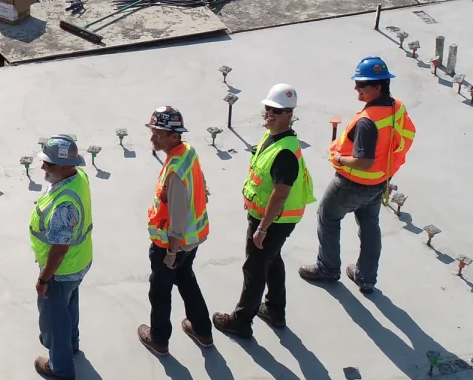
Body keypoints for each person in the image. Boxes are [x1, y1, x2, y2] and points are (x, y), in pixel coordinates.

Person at [301, 56, 417, 295]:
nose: (357, 88)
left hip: (352, 184)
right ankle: (366, 278)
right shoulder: (396, 107)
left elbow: (363, 162)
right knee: (370, 226)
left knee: (328, 217)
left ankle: (328, 268)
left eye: (362, 84)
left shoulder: (367, 122)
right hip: (380, 181)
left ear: (378, 87)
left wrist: (339, 159)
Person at [214, 84, 315, 338]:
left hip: (273, 221)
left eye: (277, 111)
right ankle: (275, 310)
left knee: (254, 268)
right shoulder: (273, 137)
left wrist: (262, 228)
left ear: (289, 115)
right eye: (268, 108)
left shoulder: (284, 152)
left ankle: (240, 321)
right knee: (272, 260)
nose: (269, 114)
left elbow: (279, 194)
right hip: (269, 218)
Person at [138, 105, 213, 354]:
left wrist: (171, 251)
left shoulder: (175, 170)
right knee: (186, 279)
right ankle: (202, 330)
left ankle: (159, 339)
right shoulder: (187, 153)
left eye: (157, 134)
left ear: (174, 136)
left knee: (159, 291)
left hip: (172, 245)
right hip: (191, 241)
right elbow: (200, 182)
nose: (152, 138)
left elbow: (178, 215)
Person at [29, 134, 92, 380]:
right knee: (68, 306)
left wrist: (44, 279)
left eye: (49, 164)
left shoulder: (64, 205)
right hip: (78, 262)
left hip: (62, 269)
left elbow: (59, 248)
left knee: (54, 317)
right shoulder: (78, 178)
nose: (43, 167)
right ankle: (71, 344)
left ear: (66, 166)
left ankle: (60, 366)